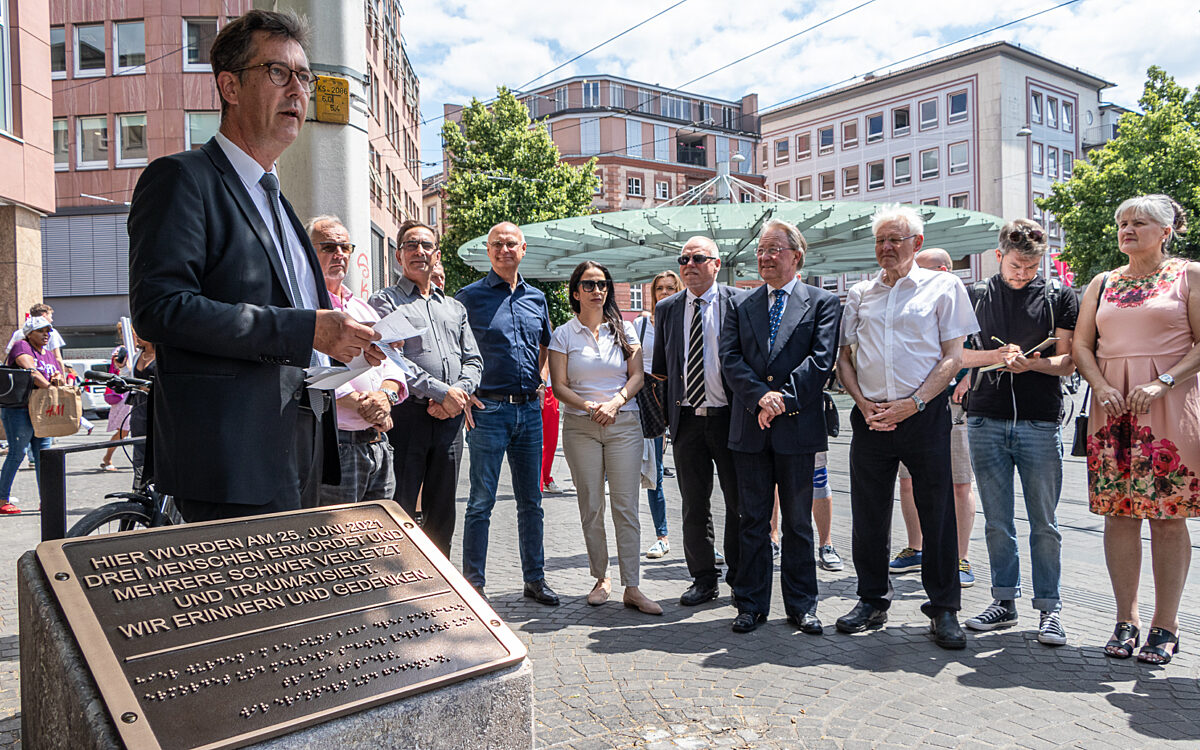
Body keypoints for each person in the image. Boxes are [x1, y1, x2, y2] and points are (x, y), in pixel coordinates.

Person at [128, 10, 383, 522]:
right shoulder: (181, 179)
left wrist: (344, 347)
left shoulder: (279, 203)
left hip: (303, 447)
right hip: (229, 458)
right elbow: (161, 308)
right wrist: (306, 329)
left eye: (304, 77)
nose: (297, 90)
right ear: (230, 86)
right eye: (278, 72)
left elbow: (295, 323)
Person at [835, 204, 977, 650]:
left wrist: (913, 404)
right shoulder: (860, 293)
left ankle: (944, 608)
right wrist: (863, 403)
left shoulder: (944, 285)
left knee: (938, 516)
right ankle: (872, 600)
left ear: (917, 243)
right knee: (868, 515)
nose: (886, 247)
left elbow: (954, 356)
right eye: (880, 240)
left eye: (895, 239)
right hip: (872, 417)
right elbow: (844, 358)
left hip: (924, 414)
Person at [1073, 194, 1200, 665]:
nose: (1127, 229)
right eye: (1122, 222)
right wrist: (1100, 384)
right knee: (1119, 514)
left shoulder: (1189, 275)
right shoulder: (1103, 281)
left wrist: (1164, 380)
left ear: (1165, 231)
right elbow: (1083, 346)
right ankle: (1125, 619)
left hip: (1168, 406)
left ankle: (1166, 625)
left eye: (1139, 223)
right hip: (1112, 408)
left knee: (1168, 517)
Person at [954, 221, 1077, 645]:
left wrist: (1033, 365)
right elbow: (955, 355)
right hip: (985, 417)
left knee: (1045, 523)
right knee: (997, 521)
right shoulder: (974, 295)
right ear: (998, 256)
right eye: (1016, 266)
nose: (1024, 274)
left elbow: (1068, 362)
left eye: (1032, 267)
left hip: (1039, 420)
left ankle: (1050, 608)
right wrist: (994, 355)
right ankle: (1004, 601)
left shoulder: (1059, 296)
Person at [719, 220, 841, 634]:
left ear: (796, 256)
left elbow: (820, 361)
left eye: (774, 249)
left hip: (798, 429)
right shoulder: (741, 304)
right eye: (761, 250)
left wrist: (782, 400)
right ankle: (750, 604)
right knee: (752, 520)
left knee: (797, 522)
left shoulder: (822, 303)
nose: (765, 257)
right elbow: (730, 358)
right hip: (750, 427)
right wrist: (761, 398)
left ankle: (802, 605)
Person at [455, 222, 559, 605]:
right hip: (489, 411)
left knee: (531, 501)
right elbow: (454, 349)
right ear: (488, 251)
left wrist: (542, 378)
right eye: (496, 244)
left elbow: (545, 344)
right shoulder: (468, 298)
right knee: (481, 502)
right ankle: (473, 585)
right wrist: (464, 393)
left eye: (510, 244)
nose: (504, 250)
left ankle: (535, 579)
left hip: (529, 411)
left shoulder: (537, 298)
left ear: (523, 249)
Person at [550, 261, 660, 615]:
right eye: (589, 284)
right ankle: (601, 578)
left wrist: (614, 403)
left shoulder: (625, 330)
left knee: (626, 506)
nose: (597, 290)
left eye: (602, 284)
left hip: (624, 422)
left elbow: (637, 376)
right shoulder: (564, 334)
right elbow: (558, 386)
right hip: (580, 426)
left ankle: (633, 586)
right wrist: (589, 406)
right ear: (575, 292)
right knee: (591, 506)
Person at [369, 221, 481, 552]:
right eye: (410, 245)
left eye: (426, 245)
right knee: (399, 509)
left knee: (443, 513)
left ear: (437, 255)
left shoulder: (454, 307)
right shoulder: (385, 302)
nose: (419, 251)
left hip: (450, 422)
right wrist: (442, 393)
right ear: (398, 255)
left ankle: (439, 579)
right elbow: (394, 359)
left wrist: (456, 396)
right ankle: (400, 579)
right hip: (408, 419)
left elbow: (474, 360)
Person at [652, 236, 743, 606]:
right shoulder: (668, 308)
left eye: (698, 258)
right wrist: (666, 419)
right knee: (694, 504)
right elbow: (661, 369)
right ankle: (703, 579)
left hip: (731, 418)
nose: (689, 265)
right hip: (687, 420)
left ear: (716, 264)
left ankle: (740, 579)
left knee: (739, 503)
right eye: (684, 259)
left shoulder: (740, 302)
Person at [890, 248, 979, 587]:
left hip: (952, 405)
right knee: (908, 480)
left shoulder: (965, 299)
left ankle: (960, 557)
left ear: (942, 271)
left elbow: (979, 350)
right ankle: (916, 548)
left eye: (921, 269)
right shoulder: (910, 299)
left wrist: (969, 379)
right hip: (911, 405)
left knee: (959, 482)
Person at [310, 216, 407, 506]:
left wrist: (386, 397)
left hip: (377, 443)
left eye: (345, 247)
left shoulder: (362, 308)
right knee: (337, 530)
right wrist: (369, 408)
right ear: (308, 251)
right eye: (329, 247)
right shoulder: (306, 306)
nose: (339, 254)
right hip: (337, 444)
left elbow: (393, 363)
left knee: (380, 529)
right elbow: (312, 370)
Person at [636, 270, 681, 559]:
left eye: (670, 288)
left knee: (694, 474)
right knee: (655, 472)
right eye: (659, 288)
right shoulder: (641, 324)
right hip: (648, 400)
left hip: (679, 398)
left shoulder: (686, 321)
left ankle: (704, 540)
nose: (664, 293)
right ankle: (662, 536)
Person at [0, 317, 63, 513]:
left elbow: (57, 375)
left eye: (48, 330)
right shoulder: (22, 346)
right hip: (19, 409)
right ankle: (2, 499)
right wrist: (50, 387)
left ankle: (47, 500)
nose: (46, 334)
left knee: (43, 456)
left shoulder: (48, 354)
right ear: (29, 334)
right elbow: (32, 372)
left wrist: (58, 379)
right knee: (17, 453)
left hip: (42, 410)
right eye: (41, 331)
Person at [100, 342, 131, 471]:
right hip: (125, 396)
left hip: (138, 394)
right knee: (123, 431)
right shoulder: (122, 350)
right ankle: (107, 457)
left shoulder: (142, 350)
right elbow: (122, 368)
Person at [540, 360, 565, 494]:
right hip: (534, 388)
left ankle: (545, 478)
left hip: (550, 390)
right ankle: (538, 481)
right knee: (534, 439)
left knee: (551, 439)